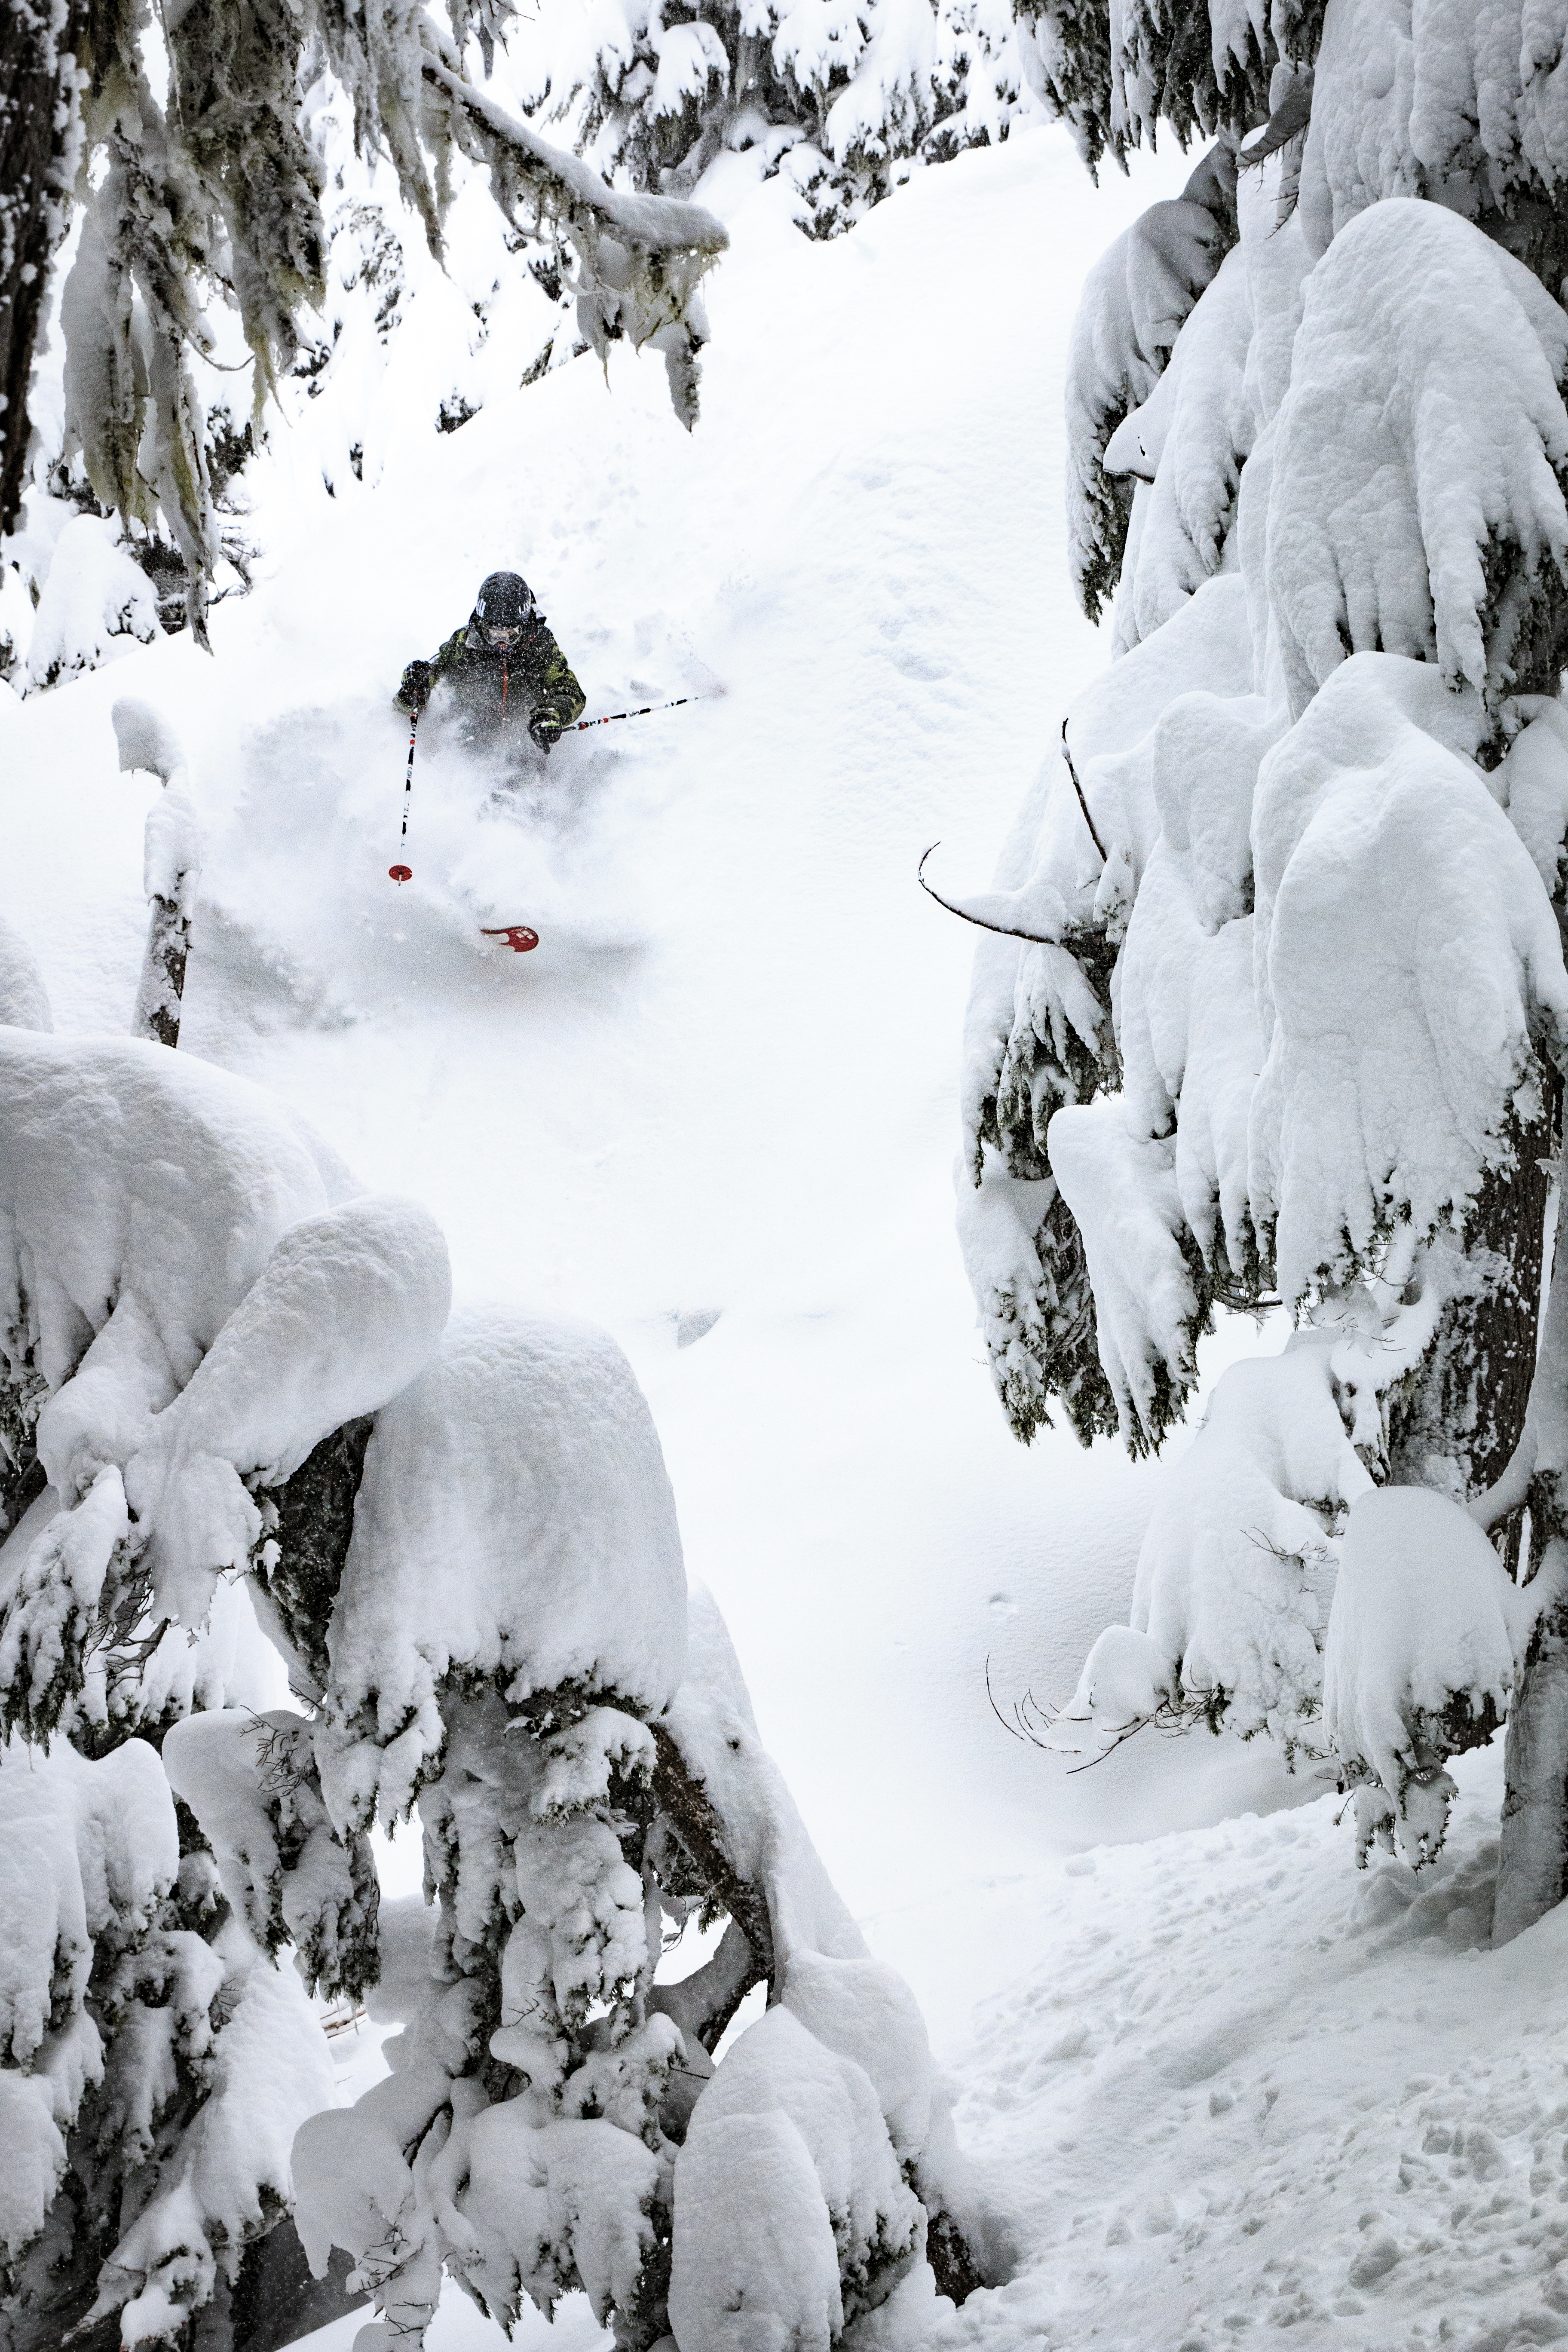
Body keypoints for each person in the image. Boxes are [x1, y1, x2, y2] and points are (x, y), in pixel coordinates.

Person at [395, 572, 585, 753]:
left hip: (525, 744)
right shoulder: (465, 643)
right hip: (465, 745)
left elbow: (569, 691)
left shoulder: (540, 645)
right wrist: (415, 685)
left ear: (524, 624)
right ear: (482, 624)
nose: (502, 643)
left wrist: (550, 715)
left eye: (510, 634)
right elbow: (432, 671)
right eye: (494, 634)